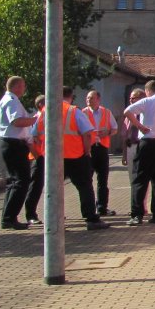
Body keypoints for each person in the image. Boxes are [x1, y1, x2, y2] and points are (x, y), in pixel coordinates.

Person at [122, 80, 155, 225]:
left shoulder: (147, 101)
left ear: (147, 91)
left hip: (147, 142)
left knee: (140, 179)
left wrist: (140, 126)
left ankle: (137, 215)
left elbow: (127, 112)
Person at [60, 87, 110, 231]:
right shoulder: (74, 111)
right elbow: (87, 133)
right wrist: (87, 151)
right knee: (85, 186)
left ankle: (54, 218)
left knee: (55, 188)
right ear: (71, 97)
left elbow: (35, 133)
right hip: (76, 156)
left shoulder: (46, 111)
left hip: (54, 158)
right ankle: (91, 218)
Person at [0, 76, 37, 230]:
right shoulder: (12, 101)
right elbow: (17, 121)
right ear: (17, 86)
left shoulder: (8, 100)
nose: (24, 89)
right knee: (22, 181)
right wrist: (35, 119)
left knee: (14, 182)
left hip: (11, 143)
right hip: (13, 144)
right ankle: (10, 218)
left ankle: (8, 218)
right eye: (23, 86)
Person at [83, 90, 118, 216]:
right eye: (87, 98)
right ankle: (89, 208)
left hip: (102, 148)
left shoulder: (106, 112)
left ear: (98, 99)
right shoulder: (83, 113)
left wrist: (107, 132)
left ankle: (102, 207)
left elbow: (115, 128)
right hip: (89, 149)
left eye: (91, 98)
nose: (88, 100)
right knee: (87, 180)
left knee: (103, 180)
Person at [24, 95, 46, 226]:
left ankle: (54, 212)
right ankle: (30, 214)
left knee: (50, 185)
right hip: (39, 156)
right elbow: (30, 139)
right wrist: (37, 156)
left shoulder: (46, 117)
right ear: (40, 105)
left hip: (48, 156)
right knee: (36, 186)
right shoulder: (37, 118)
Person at [120, 87, 144, 185]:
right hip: (130, 147)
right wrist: (124, 154)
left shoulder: (145, 114)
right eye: (130, 98)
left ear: (141, 99)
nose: (131, 100)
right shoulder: (129, 115)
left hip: (141, 147)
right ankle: (135, 199)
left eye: (133, 98)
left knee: (141, 178)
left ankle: (141, 200)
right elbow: (125, 136)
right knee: (132, 178)